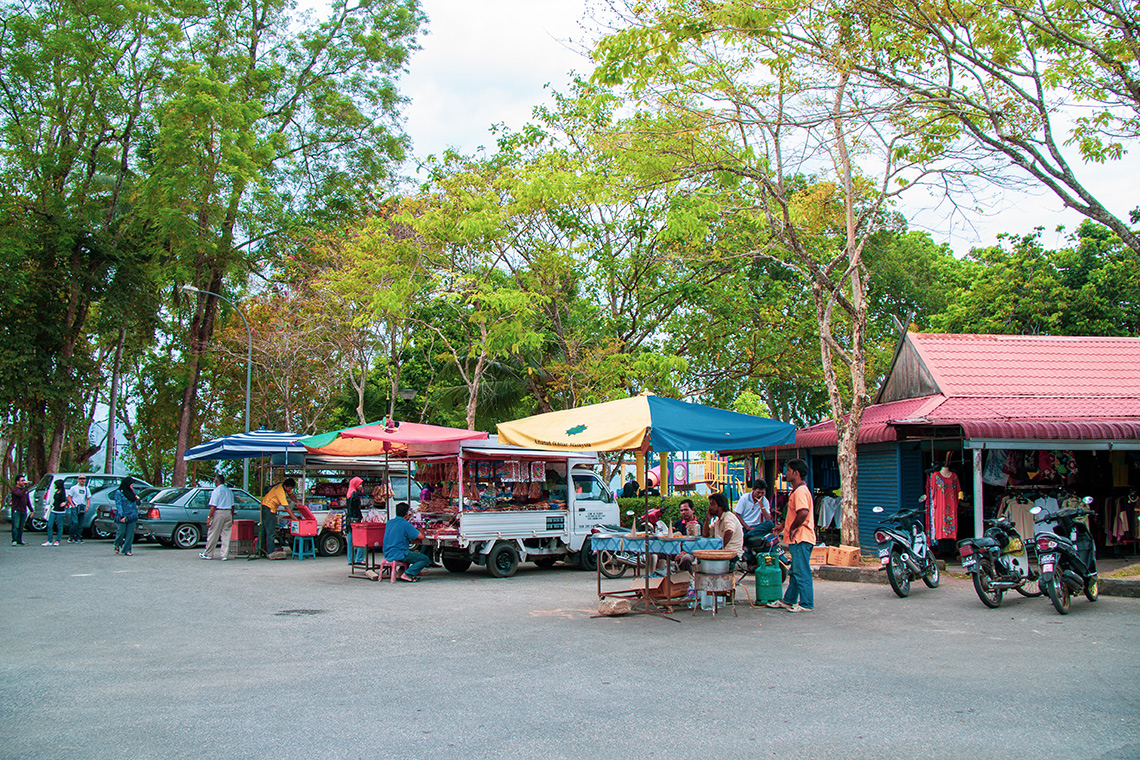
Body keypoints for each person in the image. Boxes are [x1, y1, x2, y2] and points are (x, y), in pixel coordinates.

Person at [769, 458, 815, 612]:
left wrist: (793, 527)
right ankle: (788, 600)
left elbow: (803, 513)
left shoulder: (800, 491)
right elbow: (795, 514)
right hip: (798, 537)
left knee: (801, 571)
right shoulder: (798, 491)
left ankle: (806, 603)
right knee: (795, 571)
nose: (785, 473)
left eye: (788, 471)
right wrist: (783, 526)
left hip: (801, 537)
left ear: (796, 473)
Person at [382, 502, 429, 582]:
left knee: (410, 553)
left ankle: (400, 572)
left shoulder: (389, 522)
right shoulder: (405, 524)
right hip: (399, 553)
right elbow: (421, 536)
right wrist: (420, 526)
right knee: (424, 559)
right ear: (407, 513)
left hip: (388, 552)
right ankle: (407, 574)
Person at [258, 478, 299, 557]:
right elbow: (286, 507)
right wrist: (294, 518)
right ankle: (270, 552)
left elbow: (291, 495)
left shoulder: (283, 486)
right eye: (289, 488)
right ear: (285, 486)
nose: (290, 490)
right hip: (269, 509)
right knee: (270, 531)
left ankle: (259, 549)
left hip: (266, 507)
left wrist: (297, 501)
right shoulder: (280, 491)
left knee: (263, 529)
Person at [200, 474, 234, 560]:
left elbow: (213, 506)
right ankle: (224, 554)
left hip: (219, 512)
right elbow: (233, 506)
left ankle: (208, 553)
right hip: (228, 512)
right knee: (226, 534)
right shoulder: (229, 491)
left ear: (216, 481)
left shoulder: (216, 491)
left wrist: (209, 517)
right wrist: (232, 516)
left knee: (213, 533)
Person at [707, 492, 744, 558]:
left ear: (721, 507)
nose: (710, 507)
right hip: (723, 554)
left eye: (712, 504)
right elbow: (706, 534)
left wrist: (721, 547)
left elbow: (729, 531)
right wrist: (707, 519)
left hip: (732, 555)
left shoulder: (728, 517)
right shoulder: (718, 520)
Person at [112, 476, 140, 556]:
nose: (132, 485)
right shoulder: (119, 492)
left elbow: (136, 503)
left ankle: (127, 549)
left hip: (132, 515)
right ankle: (117, 543)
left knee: (130, 534)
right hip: (123, 514)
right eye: (131, 483)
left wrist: (137, 499)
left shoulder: (132, 491)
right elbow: (119, 504)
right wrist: (121, 516)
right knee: (121, 532)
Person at [345, 476, 365, 566]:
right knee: (362, 539)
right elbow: (356, 509)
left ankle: (350, 559)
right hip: (356, 519)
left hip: (349, 519)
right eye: (360, 484)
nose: (361, 486)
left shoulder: (349, 493)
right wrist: (361, 517)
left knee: (350, 540)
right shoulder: (355, 495)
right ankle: (359, 558)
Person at [66, 474, 91, 543]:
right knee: (74, 522)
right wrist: (72, 505)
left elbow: (88, 498)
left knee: (80, 524)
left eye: (83, 479)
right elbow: (69, 497)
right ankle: (71, 536)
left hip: (82, 507)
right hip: (75, 507)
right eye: (80, 479)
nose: (82, 480)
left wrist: (87, 506)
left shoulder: (86, 489)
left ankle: (78, 537)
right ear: (78, 480)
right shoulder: (74, 488)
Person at [10, 474, 31, 545]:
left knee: (21, 526)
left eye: (24, 480)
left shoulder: (24, 490)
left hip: (23, 510)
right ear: (17, 482)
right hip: (16, 510)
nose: (23, 482)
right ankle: (14, 540)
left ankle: (19, 540)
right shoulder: (14, 489)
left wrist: (31, 510)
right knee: (16, 526)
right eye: (22, 481)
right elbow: (19, 494)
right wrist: (26, 487)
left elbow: (27, 500)